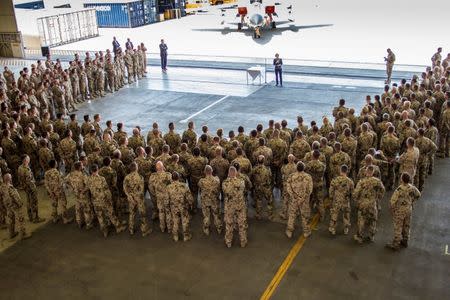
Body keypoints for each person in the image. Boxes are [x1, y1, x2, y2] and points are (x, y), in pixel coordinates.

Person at [386, 172, 421, 250]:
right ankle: (405, 241)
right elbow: (418, 195)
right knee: (406, 225)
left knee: (398, 226)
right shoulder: (412, 188)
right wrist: (412, 201)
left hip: (400, 210)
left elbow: (392, 201)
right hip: (408, 209)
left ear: (402, 179)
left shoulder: (399, 189)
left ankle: (396, 243)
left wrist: (392, 209)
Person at [285, 162, 313, 238]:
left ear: (296, 168)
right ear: (304, 168)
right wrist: (302, 198)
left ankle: (289, 231)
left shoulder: (291, 176)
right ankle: (306, 232)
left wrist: (295, 197)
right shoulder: (308, 177)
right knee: (305, 216)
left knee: (292, 215)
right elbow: (310, 190)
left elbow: (288, 188)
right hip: (304, 201)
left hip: (294, 200)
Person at [123, 162, 151, 237]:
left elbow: (125, 188)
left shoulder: (127, 177)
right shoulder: (140, 177)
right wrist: (137, 198)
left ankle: (131, 229)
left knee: (132, 214)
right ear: (136, 168)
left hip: (131, 199)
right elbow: (141, 190)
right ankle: (144, 230)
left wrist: (130, 196)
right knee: (142, 214)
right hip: (139, 199)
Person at [222, 166, 247, 248]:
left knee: (229, 224)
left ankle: (228, 242)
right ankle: (243, 241)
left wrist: (229, 179)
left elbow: (225, 192)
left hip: (230, 207)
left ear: (228, 173)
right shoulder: (241, 181)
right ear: (236, 173)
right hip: (240, 206)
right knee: (241, 224)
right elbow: (242, 190)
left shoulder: (225, 183)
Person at [1, 173, 31, 240]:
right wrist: (20, 204)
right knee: (20, 219)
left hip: (8, 206)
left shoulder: (2, 187)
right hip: (15, 205)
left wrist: (3, 206)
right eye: (10, 178)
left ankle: (11, 233)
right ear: (9, 179)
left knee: (10, 219)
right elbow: (15, 197)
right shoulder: (10, 187)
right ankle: (23, 234)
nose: (11, 179)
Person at [167, 172, 193, 242]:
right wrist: (191, 204)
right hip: (183, 207)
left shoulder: (168, 187)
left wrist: (168, 207)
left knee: (175, 221)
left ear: (172, 178)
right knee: (185, 221)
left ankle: (176, 236)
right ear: (179, 178)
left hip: (173, 207)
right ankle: (186, 236)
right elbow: (189, 197)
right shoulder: (184, 186)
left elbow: (167, 199)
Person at [198, 165, 222, 236]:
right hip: (214, 201)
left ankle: (206, 230)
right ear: (212, 171)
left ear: (204, 172)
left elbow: (199, 187)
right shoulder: (217, 180)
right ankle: (219, 229)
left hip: (205, 201)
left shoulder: (201, 181)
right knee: (216, 215)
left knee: (206, 216)